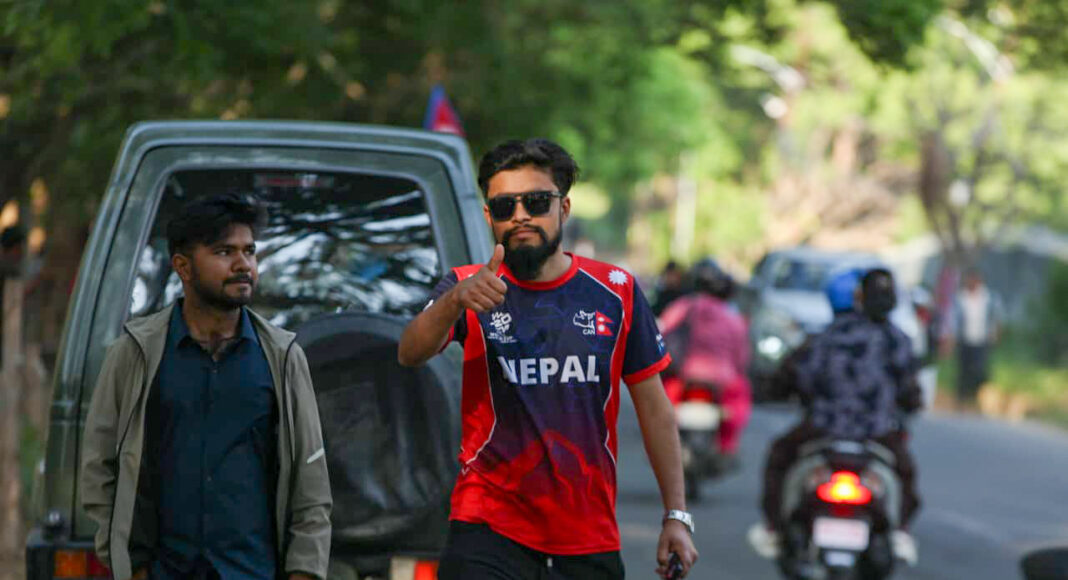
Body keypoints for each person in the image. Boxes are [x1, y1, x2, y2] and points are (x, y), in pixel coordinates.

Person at [398, 139, 699, 579]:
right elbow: (409, 351)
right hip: (486, 528)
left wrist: (676, 515)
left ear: (564, 208)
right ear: (489, 217)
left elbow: (655, 410)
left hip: (588, 535)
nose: (521, 215)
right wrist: (455, 301)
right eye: (505, 206)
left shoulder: (616, 290)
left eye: (536, 202)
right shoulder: (469, 286)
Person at [80, 194, 332, 580]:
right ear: (183, 266)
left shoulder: (281, 357)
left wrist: (304, 572)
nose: (243, 264)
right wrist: (131, 566)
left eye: (249, 251)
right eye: (224, 252)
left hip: (253, 572)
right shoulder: (136, 353)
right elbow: (100, 467)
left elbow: (310, 482)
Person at [750, 268, 923, 564]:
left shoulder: (825, 337)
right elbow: (911, 394)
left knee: (779, 456)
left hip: (822, 429)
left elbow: (794, 376)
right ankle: (900, 533)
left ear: (859, 297)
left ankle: (774, 530)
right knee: (905, 473)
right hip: (877, 433)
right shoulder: (898, 342)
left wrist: (773, 390)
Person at [658, 259, 751, 461]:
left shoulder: (682, 308)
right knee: (738, 401)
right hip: (723, 379)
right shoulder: (732, 317)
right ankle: (726, 448)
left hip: (682, 374)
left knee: (661, 406)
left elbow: (660, 337)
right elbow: (741, 357)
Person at [950, 268, 1002, 407]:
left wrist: (996, 334)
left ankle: (975, 395)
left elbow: (996, 318)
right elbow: (954, 320)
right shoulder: (960, 297)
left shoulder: (989, 297)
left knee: (979, 369)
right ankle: (961, 398)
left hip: (982, 340)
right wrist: (952, 337)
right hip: (964, 339)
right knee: (963, 370)